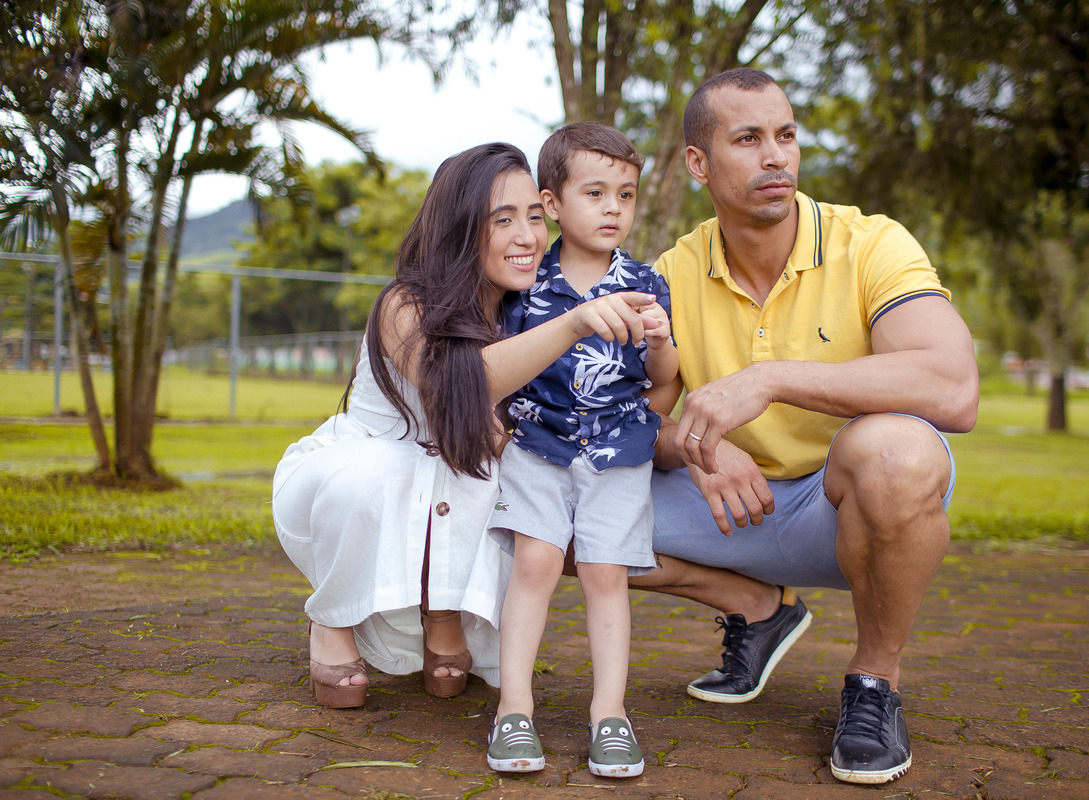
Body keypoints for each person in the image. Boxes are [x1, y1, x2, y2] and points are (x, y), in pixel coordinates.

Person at [630, 68, 980, 785]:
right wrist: (695, 446)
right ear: (698, 162)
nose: (775, 156)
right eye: (749, 138)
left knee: (900, 452)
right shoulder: (671, 271)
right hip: (730, 505)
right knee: (552, 506)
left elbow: (954, 385)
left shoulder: (870, 243)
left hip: (840, 510)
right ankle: (755, 609)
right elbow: (631, 416)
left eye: (786, 135)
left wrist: (772, 377)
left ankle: (873, 683)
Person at [271, 142, 662, 710]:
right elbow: (459, 386)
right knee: (408, 465)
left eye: (534, 215)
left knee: (506, 475)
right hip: (359, 474)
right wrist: (574, 324)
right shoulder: (406, 304)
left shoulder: (522, 310)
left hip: (458, 483)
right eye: (503, 219)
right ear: (460, 228)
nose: (528, 236)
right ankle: (331, 618)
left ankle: (444, 612)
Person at [485, 123, 678, 778]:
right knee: (536, 564)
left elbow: (665, 377)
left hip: (617, 453)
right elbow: (499, 367)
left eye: (625, 195)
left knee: (605, 574)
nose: (613, 209)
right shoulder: (524, 283)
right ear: (552, 204)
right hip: (537, 445)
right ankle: (514, 706)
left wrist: (659, 339)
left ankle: (610, 713)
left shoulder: (647, 281)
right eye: (595, 193)